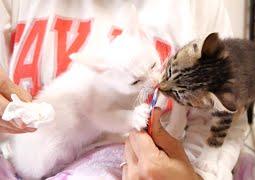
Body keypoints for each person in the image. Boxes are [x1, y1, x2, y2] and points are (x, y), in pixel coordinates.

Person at [0, 0, 234, 179]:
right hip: (38, 160)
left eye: (154, 65)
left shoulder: (198, 7)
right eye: (135, 82)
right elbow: (100, 117)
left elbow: (227, 110)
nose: (155, 82)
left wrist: (197, 175)